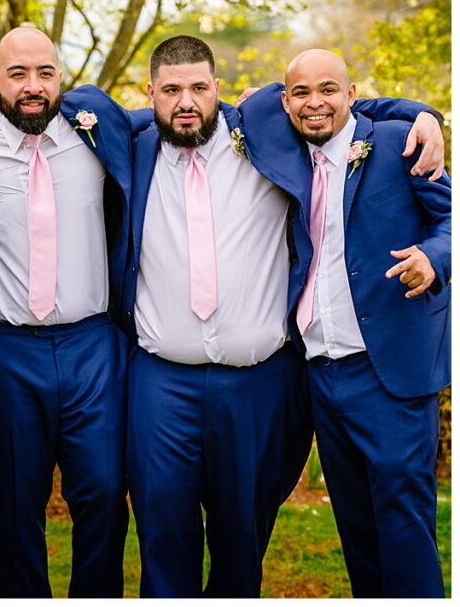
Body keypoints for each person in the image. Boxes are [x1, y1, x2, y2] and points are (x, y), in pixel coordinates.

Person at [121, 35, 445, 597]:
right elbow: (53, 111)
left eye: (199, 87)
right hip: (182, 375)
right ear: (150, 94)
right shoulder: (136, 144)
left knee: (246, 530)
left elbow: (338, 109)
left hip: (296, 374)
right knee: (164, 522)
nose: (186, 101)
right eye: (171, 90)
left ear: (221, 91)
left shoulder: (261, 129)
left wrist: (425, 114)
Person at [0, 26, 134, 598]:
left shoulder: (101, 129)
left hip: (93, 348)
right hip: (4, 352)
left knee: (106, 497)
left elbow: (215, 109)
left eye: (44, 72)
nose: (33, 86)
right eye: (18, 74)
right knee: (14, 508)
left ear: (60, 76)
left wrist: (396, 111)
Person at [239, 49, 450, 597]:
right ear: (286, 102)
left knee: (402, 523)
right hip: (319, 374)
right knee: (355, 527)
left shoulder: (399, 142)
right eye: (301, 93)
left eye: (329, 90)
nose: (315, 103)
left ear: (353, 94)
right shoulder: (283, 143)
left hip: (389, 369)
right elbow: (204, 102)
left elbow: (450, 219)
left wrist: (435, 258)